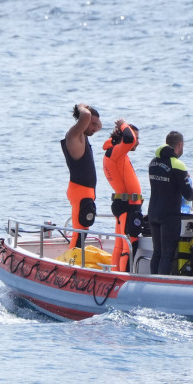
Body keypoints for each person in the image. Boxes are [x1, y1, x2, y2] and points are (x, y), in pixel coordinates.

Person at [147, 131, 193, 275]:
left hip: (153, 212)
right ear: (180, 145)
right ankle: (161, 286)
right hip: (169, 215)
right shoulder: (177, 164)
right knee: (167, 254)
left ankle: (152, 283)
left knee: (157, 252)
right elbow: (188, 194)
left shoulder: (153, 162)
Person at [61, 103, 102, 249]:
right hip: (80, 192)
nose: (96, 128)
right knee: (80, 232)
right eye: (93, 125)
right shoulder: (73, 136)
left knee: (83, 230)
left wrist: (91, 116)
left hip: (85, 192)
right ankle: (72, 261)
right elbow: (85, 116)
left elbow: (95, 122)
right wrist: (80, 107)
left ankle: (75, 257)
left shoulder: (84, 135)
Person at [103, 119, 142, 271]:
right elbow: (129, 139)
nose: (137, 142)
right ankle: (123, 278)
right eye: (136, 138)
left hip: (125, 205)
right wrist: (122, 124)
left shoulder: (116, 152)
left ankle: (115, 274)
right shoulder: (117, 152)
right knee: (129, 244)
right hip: (128, 206)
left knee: (120, 245)